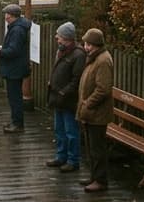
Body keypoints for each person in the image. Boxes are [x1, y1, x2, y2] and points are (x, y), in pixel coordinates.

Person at [76, 27, 114, 193]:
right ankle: (94, 176)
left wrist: (88, 103)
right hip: (89, 112)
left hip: (97, 113)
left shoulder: (103, 61)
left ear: (96, 45)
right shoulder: (94, 58)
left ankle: (100, 180)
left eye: (89, 44)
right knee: (91, 147)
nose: (86, 47)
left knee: (97, 148)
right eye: (85, 44)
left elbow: (103, 89)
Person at [45, 22, 85, 172]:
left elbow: (76, 79)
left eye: (59, 36)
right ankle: (60, 156)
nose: (57, 38)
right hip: (57, 98)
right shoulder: (61, 51)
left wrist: (63, 92)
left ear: (67, 38)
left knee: (71, 132)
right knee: (59, 130)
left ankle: (73, 160)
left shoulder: (78, 55)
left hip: (68, 100)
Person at [0, 3, 31, 133]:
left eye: (7, 14)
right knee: (14, 97)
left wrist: (0, 52)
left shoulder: (17, 30)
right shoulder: (17, 27)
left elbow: (13, 51)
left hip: (15, 69)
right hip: (16, 68)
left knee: (15, 97)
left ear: (12, 16)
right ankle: (15, 121)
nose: (6, 17)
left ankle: (18, 124)